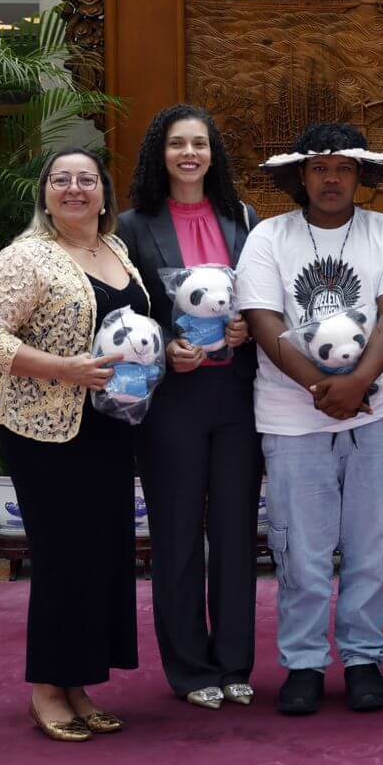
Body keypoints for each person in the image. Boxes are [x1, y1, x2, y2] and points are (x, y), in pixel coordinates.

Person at [235, 123, 383, 716]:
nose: (332, 177)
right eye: (319, 168)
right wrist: (320, 386)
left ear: (360, 176)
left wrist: (358, 384)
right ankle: (304, 663)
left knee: (372, 544)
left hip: (376, 414)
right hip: (293, 419)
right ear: (300, 177)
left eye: (342, 167)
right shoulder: (269, 237)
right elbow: (263, 320)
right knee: (301, 551)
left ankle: (363, 659)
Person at [0, 148, 145, 742]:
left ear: (103, 193)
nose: (74, 189)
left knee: (102, 558)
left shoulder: (115, 251)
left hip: (110, 429)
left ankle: (80, 682)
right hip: (45, 432)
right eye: (61, 180)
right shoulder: (26, 257)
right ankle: (48, 687)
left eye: (86, 180)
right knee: (64, 559)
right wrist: (62, 369)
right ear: (45, 193)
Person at [116, 104, 261, 711]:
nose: (189, 154)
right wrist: (162, 346)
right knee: (177, 534)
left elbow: (261, 299)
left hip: (236, 397)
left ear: (213, 153)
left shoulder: (243, 219)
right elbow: (120, 311)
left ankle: (233, 662)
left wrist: (246, 329)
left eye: (199, 143)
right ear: (160, 152)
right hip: (172, 398)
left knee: (234, 531)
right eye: (177, 143)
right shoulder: (131, 225)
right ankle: (189, 668)